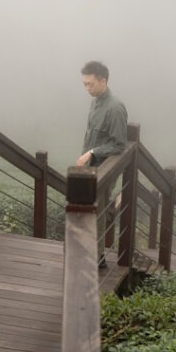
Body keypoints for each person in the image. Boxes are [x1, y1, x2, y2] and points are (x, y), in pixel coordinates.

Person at [76, 60, 128, 268]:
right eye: (84, 84)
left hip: (105, 170)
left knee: (97, 211)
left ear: (103, 80)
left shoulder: (114, 108)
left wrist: (91, 152)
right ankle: (89, 253)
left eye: (90, 84)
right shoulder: (95, 101)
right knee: (87, 209)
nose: (86, 88)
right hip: (89, 169)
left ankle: (97, 259)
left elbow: (119, 145)